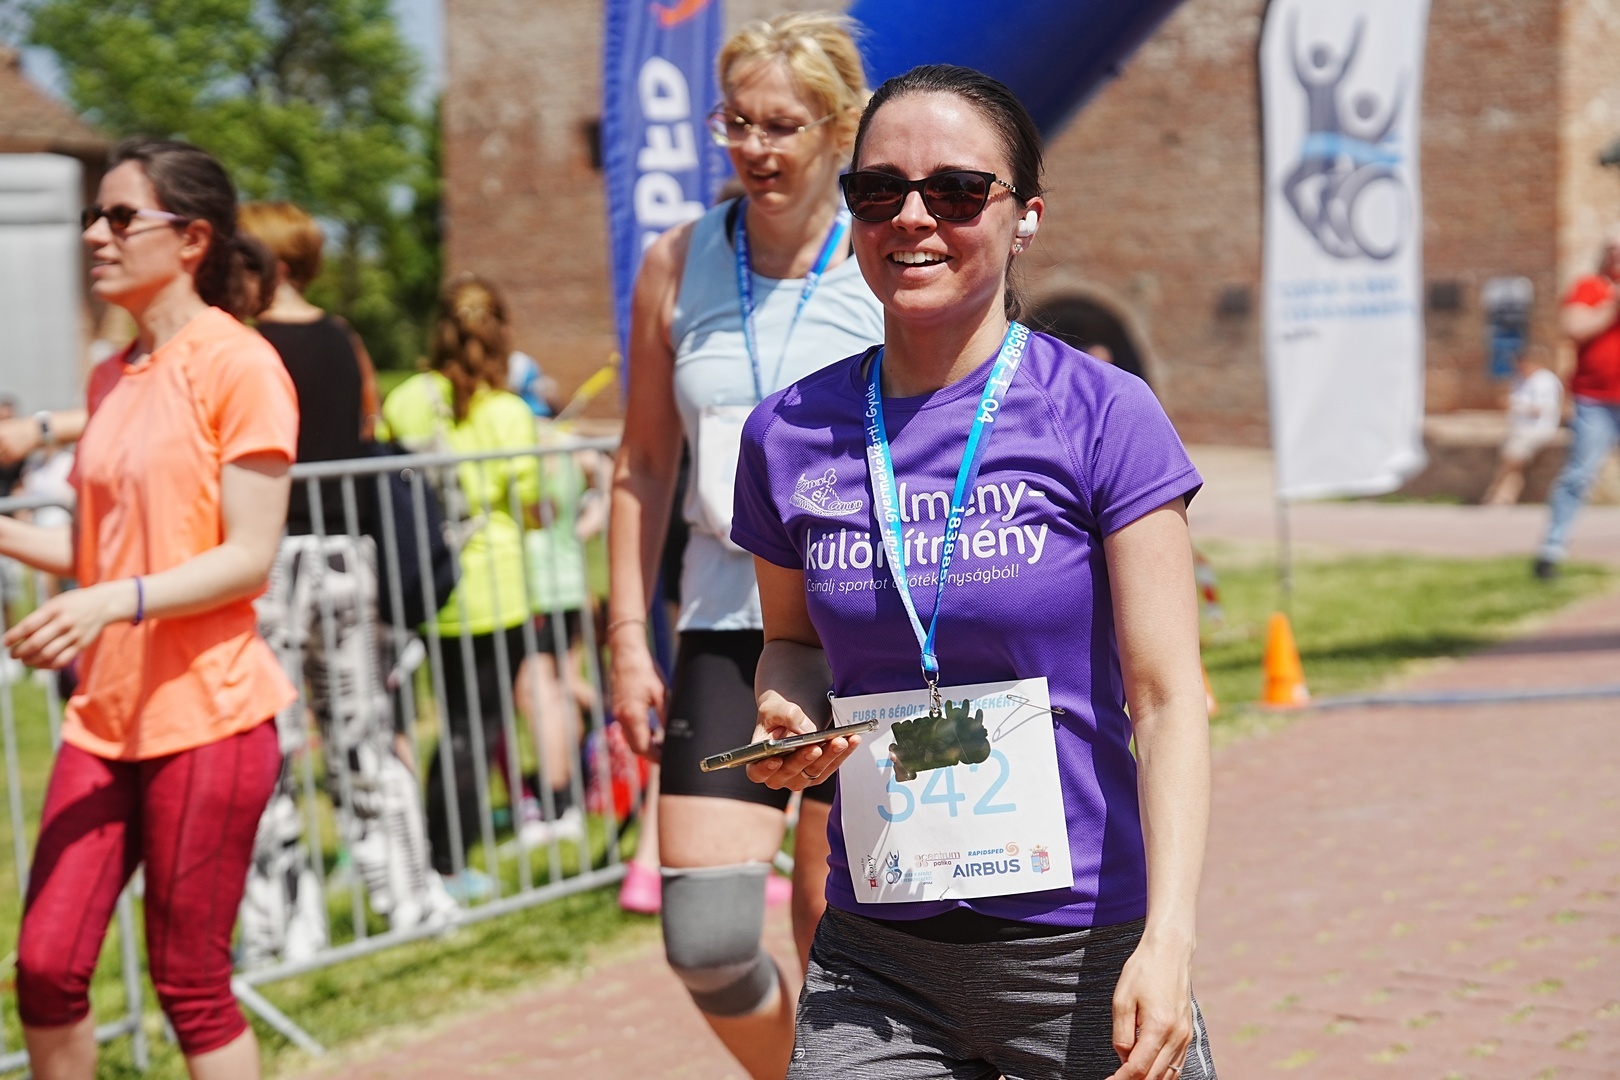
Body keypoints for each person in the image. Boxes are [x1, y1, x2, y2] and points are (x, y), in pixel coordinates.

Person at [732, 65, 1218, 1079]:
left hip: (1084, 950)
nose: (913, 218)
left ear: (1025, 216)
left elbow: (1169, 698)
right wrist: (788, 710)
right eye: (880, 191)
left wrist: (1167, 940)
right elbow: (791, 644)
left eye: (955, 191)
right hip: (877, 963)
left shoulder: (1102, 413)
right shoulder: (787, 435)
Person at [606, 12, 883, 1077]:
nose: (755, 148)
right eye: (737, 123)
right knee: (710, 941)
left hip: (862, 624)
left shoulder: (882, 253)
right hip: (727, 622)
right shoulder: (677, 261)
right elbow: (643, 463)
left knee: (833, 931)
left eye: (782, 126)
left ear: (839, 126)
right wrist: (627, 638)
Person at [0, 137, 297, 1079]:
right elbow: (104, 555)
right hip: (106, 719)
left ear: (192, 239)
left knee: (191, 985)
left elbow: (247, 558)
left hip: (210, 717)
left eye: (122, 216)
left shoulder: (241, 365)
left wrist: (111, 603)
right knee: (45, 969)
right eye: (93, 214)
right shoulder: (109, 376)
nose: (96, 233)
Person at [234, 201, 456, 966]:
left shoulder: (246, 345)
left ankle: (285, 928)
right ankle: (408, 896)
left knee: (273, 747)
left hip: (270, 559)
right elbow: (365, 424)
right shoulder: (342, 337)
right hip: (346, 555)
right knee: (361, 736)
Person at [382, 273, 574, 898]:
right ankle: (446, 860)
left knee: (451, 723)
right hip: (495, 587)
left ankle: (433, 850)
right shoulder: (509, 412)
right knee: (476, 728)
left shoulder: (405, 400)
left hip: (426, 582)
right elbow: (531, 505)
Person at [1535, 227, 1620, 577]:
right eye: (1613, 248)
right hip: (1595, 401)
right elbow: (1575, 328)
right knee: (1579, 475)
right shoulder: (1590, 288)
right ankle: (1551, 550)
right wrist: (1613, 305)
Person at [1483, 344, 1562, 507]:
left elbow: (1542, 409)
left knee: (1512, 458)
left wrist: (1516, 405)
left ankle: (1496, 492)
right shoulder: (1521, 379)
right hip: (1520, 428)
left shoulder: (1545, 381)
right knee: (1514, 464)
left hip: (1537, 429)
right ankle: (1505, 497)